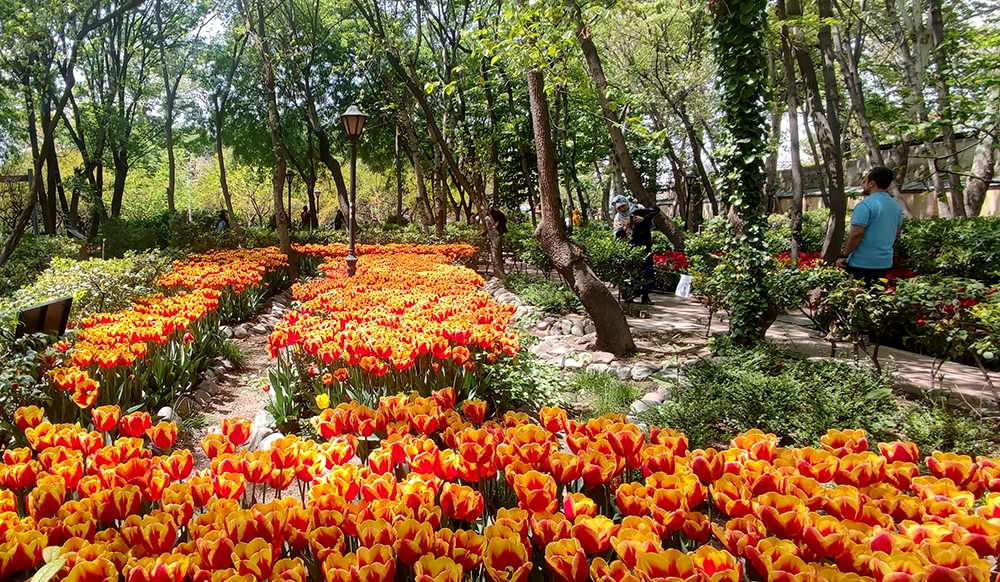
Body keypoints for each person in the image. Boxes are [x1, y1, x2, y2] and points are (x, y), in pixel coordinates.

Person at [836, 167, 903, 286]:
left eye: (864, 181)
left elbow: (856, 234)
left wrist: (844, 255)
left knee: (859, 298)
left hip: (861, 263)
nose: (863, 185)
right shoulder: (896, 206)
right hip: (884, 263)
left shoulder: (865, 205)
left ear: (872, 183)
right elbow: (896, 234)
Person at [612, 194, 660, 305]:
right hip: (629, 248)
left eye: (623, 206)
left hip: (644, 246)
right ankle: (629, 295)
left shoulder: (639, 209)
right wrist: (625, 227)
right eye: (619, 208)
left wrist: (643, 219)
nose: (622, 209)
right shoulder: (618, 218)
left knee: (646, 272)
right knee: (630, 272)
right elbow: (617, 234)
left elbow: (653, 217)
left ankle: (646, 296)